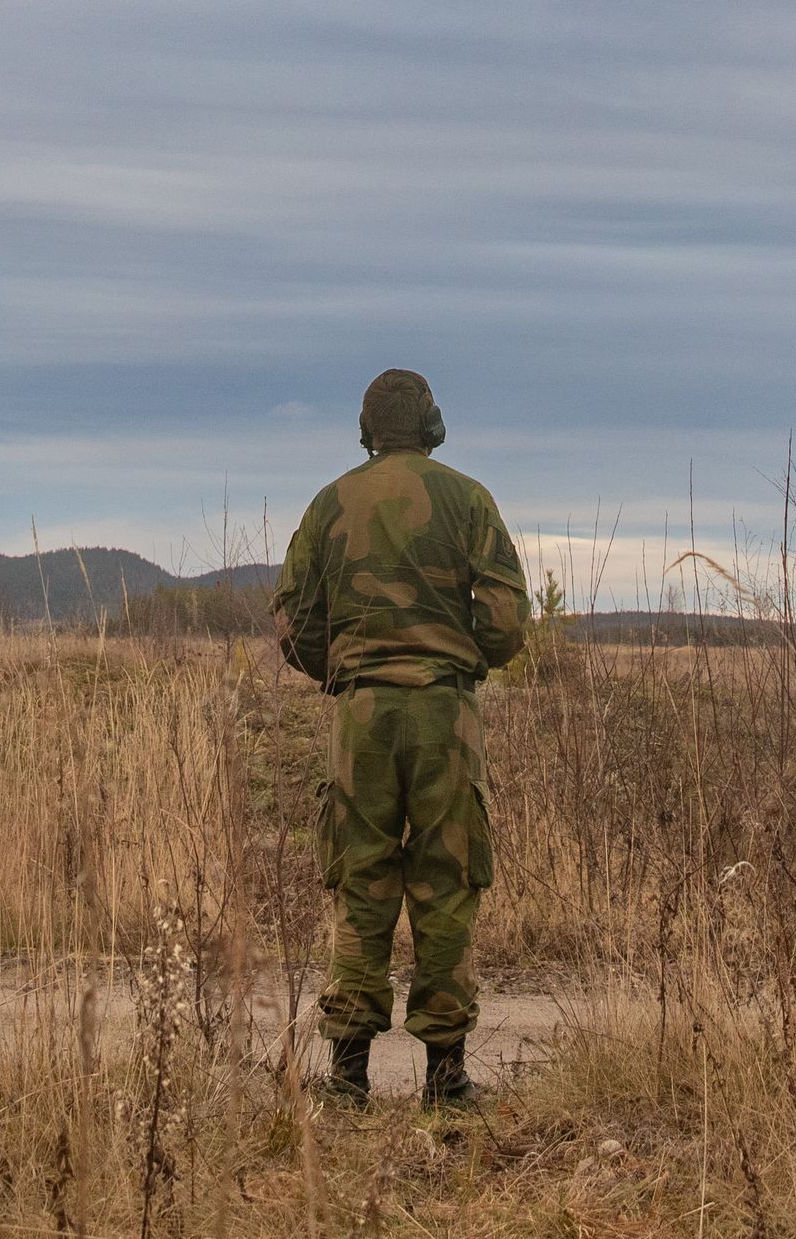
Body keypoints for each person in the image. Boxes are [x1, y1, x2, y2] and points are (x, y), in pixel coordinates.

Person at [272, 367, 529, 1109]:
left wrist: (342, 671)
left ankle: (348, 1078)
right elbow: (509, 618)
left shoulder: (329, 504)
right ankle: (445, 1081)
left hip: (360, 719)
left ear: (367, 428)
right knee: (447, 884)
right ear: (430, 423)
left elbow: (294, 622)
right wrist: (463, 658)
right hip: (445, 715)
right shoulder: (468, 498)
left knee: (361, 883)